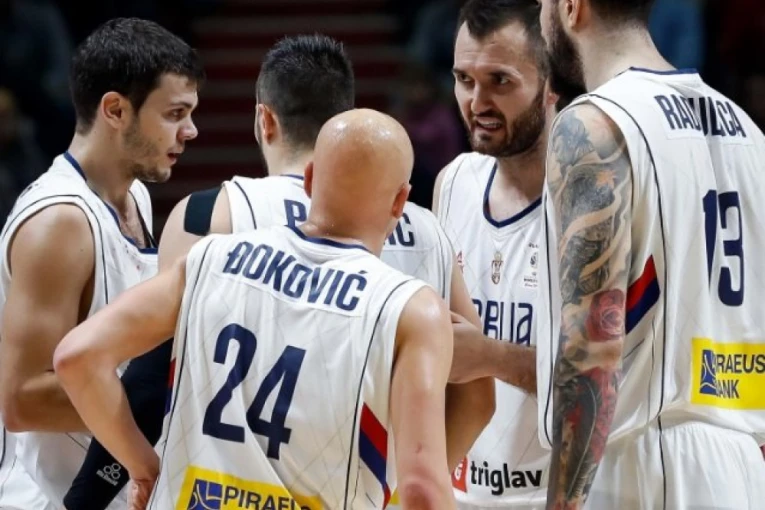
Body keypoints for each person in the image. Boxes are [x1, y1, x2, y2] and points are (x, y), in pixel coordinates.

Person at [64, 33, 494, 510]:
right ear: (399, 201)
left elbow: (110, 366)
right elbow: (475, 399)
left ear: (310, 177)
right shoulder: (427, 247)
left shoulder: (211, 237)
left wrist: (131, 470)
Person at [536, 0, 765, 508]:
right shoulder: (749, 131)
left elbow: (592, 342)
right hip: (743, 466)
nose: (539, 18)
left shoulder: (594, 124)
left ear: (572, 7)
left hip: (643, 464)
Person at [0, 17, 203, 510]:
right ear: (115, 110)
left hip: (110, 486)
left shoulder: (136, 196)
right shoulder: (59, 221)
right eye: (175, 114)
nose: (191, 131)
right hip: (47, 497)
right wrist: (167, 402)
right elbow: (22, 399)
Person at [433, 1, 558, 508]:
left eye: (499, 81)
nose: (476, 102)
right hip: (460, 492)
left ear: (552, 85)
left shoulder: (590, 205)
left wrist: (491, 357)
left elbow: (620, 384)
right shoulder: (454, 183)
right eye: (464, 80)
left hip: (556, 494)